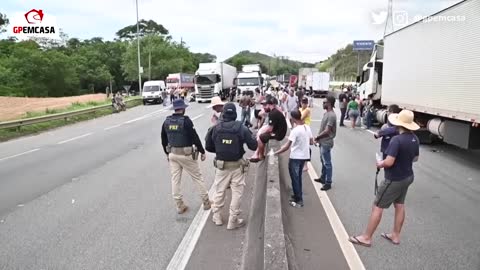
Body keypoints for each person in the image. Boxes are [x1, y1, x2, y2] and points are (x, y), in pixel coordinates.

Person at [349, 110, 420, 247]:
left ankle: (366, 237)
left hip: (394, 178)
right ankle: (396, 235)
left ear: (398, 123)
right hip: (408, 176)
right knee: (399, 205)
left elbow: (389, 162)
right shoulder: (414, 138)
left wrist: (380, 163)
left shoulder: (397, 140)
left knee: (377, 205)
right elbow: (415, 158)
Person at [205, 103, 258, 229]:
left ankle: (217, 217)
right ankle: (232, 221)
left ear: (223, 113)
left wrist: (219, 150)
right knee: (237, 193)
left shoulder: (215, 128)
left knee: (219, 191)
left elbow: (208, 146)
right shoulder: (241, 128)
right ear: (235, 113)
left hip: (221, 166)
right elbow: (253, 146)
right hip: (237, 166)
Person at [161, 99, 211, 214]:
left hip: (173, 154)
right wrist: (202, 151)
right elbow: (195, 137)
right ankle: (206, 202)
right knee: (197, 178)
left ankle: (179, 205)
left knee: (175, 180)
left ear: (174, 109)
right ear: (183, 109)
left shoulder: (166, 122)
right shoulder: (186, 121)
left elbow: (163, 140)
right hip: (186, 154)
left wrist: (167, 154)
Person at [274, 110, 313, 208]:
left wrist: (276, 152)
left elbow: (287, 146)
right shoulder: (307, 127)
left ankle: (299, 201)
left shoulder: (295, 131)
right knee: (298, 177)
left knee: (295, 178)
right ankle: (297, 195)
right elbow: (311, 142)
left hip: (295, 157)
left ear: (293, 118)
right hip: (304, 157)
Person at [250, 97, 288, 162]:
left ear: (270, 105)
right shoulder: (274, 111)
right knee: (262, 135)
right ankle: (258, 154)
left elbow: (270, 129)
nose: (264, 107)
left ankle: (261, 156)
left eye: (265, 105)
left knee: (261, 137)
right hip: (278, 131)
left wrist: (261, 133)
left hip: (279, 134)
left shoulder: (273, 113)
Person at [314, 95, 337, 191]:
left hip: (326, 142)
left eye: (324, 102)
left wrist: (317, 137)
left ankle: (328, 182)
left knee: (327, 163)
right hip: (322, 141)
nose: (323, 104)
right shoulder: (326, 114)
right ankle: (323, 178)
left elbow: (327, 130)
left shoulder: (331, 115)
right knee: (323, 161)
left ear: (329, 104)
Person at [299, 97, 312, 171]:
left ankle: (306, 164)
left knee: (306, 146)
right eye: (302, 102)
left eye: (305, 103)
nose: (303, 104)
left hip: (306, 129)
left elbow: (300, 118)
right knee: (301, 146)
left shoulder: (307, 110)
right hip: (300, 128)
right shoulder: (300, 109)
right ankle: (302, 162)